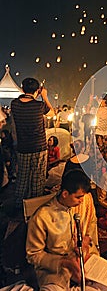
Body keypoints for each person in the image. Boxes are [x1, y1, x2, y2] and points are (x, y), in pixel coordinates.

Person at [1, 170, 107, 291]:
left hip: (84, 261)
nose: (82, 201)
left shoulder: (85, 201)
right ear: (65, 194)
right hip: (56, 271)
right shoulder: (42, 216)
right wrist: (65, 263)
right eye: (78, 197)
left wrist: (86, 245)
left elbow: (91, 227)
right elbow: (33, 255)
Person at [11, 78, 54, 207]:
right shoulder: (39, 106)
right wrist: (44, 96)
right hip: (39, 147)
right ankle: (35, 206)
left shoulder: (14, 104)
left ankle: (19, 204)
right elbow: (52, 112)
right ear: (37, 91)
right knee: (37, 178)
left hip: (23, 147)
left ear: (22, 89)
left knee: (22, 177)